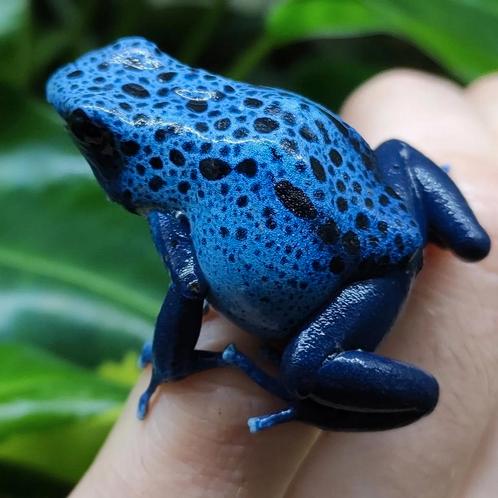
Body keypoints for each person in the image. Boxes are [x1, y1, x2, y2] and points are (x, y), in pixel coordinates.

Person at [70, 69, 497, 498]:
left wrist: (170, 365)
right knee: (397, 155)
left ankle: (309, 406)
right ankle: (442, 233)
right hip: (392, 214)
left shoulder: (168, 199)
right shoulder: (193, 156)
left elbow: (188, 284)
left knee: (303, 366)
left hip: (365, 283)